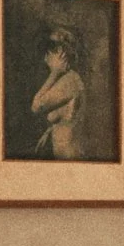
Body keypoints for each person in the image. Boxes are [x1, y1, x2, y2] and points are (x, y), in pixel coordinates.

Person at [31, 26, 86, 158]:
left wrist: (55, 73)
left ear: (60, 52)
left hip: (70, 156)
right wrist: (49, 131)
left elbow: (36, 106)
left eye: (48, 53)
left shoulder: (69, 81)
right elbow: (66, 117)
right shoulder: (70, 78)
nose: (45, 59)